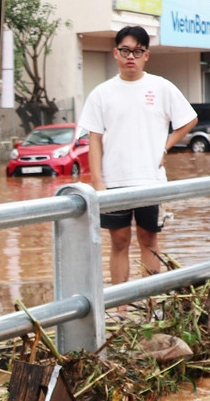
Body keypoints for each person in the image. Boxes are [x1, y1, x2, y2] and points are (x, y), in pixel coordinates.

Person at [79, 25, 198, 285]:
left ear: (146, 55)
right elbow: (94, 139)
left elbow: (188, 120)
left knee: (150, 241)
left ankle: (150, 306)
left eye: (137, 51)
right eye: (125, 50)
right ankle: (121, 309)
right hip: (114, 181)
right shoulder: (101, 93)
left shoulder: (161, 87)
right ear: (115, 53)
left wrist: (165, 146)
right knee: (119, 242)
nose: (130, 56)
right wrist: (97, 181)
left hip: (150, 180)